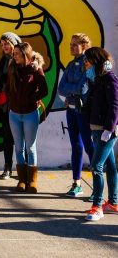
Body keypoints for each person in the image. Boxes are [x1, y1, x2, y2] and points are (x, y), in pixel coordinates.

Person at [6, 42, 48, 193]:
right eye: (14, 53)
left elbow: (44, 90)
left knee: (30, 148)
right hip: (14, 114)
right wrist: (12, 99)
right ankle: (22, 180)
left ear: (25, 55)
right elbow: (7, 87)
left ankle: (32, 181)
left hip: (30, 114)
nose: (14, 56)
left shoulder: (36, 69)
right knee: (18, 148)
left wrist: (31, 99)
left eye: (17, 54)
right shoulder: (12, 68)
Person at [82, 47, 118, 221]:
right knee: (110, 166)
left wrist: (109, 129)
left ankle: (97, 206)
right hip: (97, 129)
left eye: (87, 60)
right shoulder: (97, 79)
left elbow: (115, 106)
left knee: (96, 167)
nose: (85, 63)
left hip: (106, 131)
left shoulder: (109, 79)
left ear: (96, 60)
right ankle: (113, 203)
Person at [57, 33, 94, 197]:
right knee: (76, 147)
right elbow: (60, 88)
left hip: (83, 111)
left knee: (89, 146)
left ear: (84, 46)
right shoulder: (71, 64)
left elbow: (82, 88)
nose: (71, 47)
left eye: (75, 44)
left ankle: (97, 187)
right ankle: (76, 183)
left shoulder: (89, 65)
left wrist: (71, 90)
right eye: (70, 44)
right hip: (71, 109)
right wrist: (73, 91)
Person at [0, 32, 22, 180]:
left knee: (21, 139)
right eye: (2, 44)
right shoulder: (3, 61)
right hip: (6, 104)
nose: (4, 47)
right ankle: (7, 167)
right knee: (7, 137)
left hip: (19, 104)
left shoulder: (21, 61)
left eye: (7, 44)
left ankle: (23, 170)